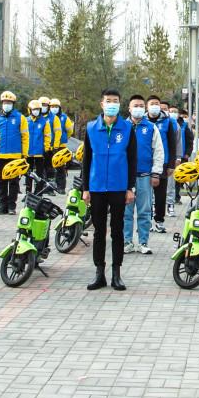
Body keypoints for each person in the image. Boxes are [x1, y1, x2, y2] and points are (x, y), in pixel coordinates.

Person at [79, 88, 138, 290]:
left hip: (119, 187)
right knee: (98, 232)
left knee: (118, 231)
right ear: (101, 104)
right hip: (96, 188)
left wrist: (130, 188)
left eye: (115, 101)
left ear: (119, 104)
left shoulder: (127, 129)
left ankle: (116, 273)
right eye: (108, 100)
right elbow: (86, 160)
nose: (111, 104)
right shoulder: (91, 128)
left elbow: (132, 160)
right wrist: (85, 188)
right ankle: (99, 273)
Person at [124, 95, 164, 254]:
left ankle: (143, 242)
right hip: (125, 179)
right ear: (129, 108)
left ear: (145, 108)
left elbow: (159, 151)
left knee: (145, 211)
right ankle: (127, 242)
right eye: (135, 105)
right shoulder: (122, 127)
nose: (138, 108)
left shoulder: (151, 128)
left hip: (145, 176)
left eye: (141, 106)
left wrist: (156, 173)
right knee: (125, 213)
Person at [147, 95, 180, 232]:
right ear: (147, 106)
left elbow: (172, 144)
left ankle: (159, 220)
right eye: (152, 103)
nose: (154, 105)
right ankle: (146, 221)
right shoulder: (141, 121)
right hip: (145, 163)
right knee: (145, 196)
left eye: (157, 103)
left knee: (160, 195)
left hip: (163, 163)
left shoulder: (168, 122)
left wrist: (172, 164)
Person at [0, 90, 26, 215]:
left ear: (13, 104)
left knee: (13, 182)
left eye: (9, 102)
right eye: (5, 102)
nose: (7, 104)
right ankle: (3, 206)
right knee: (1, 182)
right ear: (1, 103)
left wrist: (24, 154)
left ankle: (12, 206)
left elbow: (25, 137)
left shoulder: (20, 118)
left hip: (15, 155)